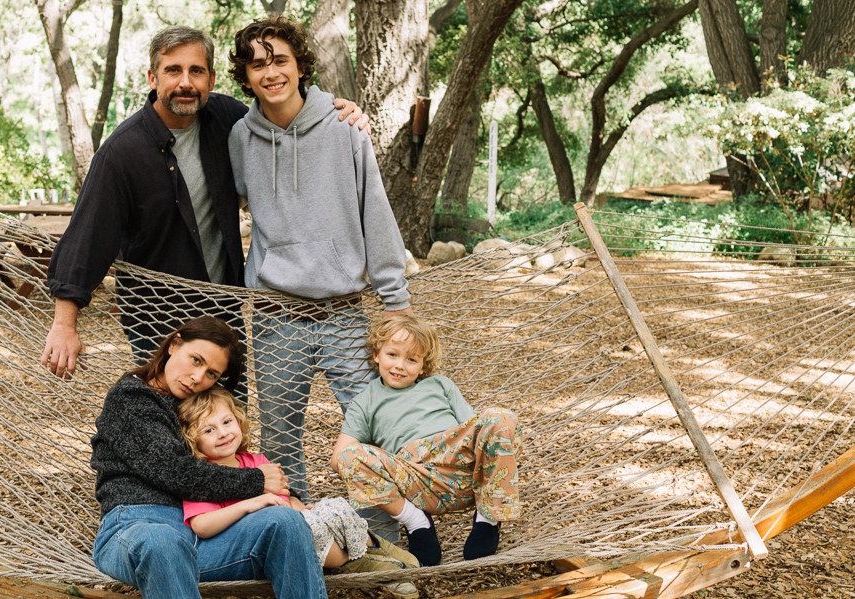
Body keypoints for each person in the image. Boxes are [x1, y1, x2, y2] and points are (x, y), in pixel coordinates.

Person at [42, 25, 367, 377]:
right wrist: (64, 325)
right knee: (171, 416)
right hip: (157, 317)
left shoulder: (229, 120)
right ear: (153, 77)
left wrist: (332, 111)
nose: (186, 82)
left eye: (196, 71)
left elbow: (283, 115)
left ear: (211, 79)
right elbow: (87, 237)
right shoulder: (122, 153)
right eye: (173, 70)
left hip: (223, 310)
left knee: (227, 415)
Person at [226, 15, 412, 501]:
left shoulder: (345, 126)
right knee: (282, 442)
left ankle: (382, 545)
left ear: (301, 65)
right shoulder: (240, 139)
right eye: (257, 65)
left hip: (344, 314)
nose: (270, 73)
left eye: (280, 61)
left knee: (370, 432)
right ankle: (306, 538)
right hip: (274, 315)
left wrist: (396, 301)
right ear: (245, 76)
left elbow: (376, 210)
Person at [89, 316, 325, 598]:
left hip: (201, 540)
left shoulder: (194, 402)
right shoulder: (131, 398)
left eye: (212, 373)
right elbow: (175, 471)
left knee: (285, 522)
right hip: (135, 529)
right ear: (175, 344)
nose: (198, 378)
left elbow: (230, 459)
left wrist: (287, 493)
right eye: (196, 360)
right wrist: (259, 481)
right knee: (162, 541)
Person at [176, 387, 420, 587]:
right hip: (251, 542)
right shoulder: (201, 477)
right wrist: (251, 504)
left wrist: (300, 507)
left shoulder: (255, 461)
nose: (223, 433)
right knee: (309, 528)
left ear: (238, 421)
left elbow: (285, 496)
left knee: (333, 506)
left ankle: (374, 548)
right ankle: (358, 565)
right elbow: (202, 526)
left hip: (291, 522)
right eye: (209, 430)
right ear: (193, 440)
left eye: (227, 422)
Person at [330, 314, 522, 566]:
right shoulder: (365, 402)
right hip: (415, 479)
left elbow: (477, 431)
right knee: (349, 457)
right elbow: (338, 459)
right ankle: (416, 522)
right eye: (392, 355)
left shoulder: (440, 385)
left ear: (423, 366)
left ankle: (488, 518)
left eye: (411, 359)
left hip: (463, 471)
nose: (400, 365)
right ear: (376, 354)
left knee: (501, 418)